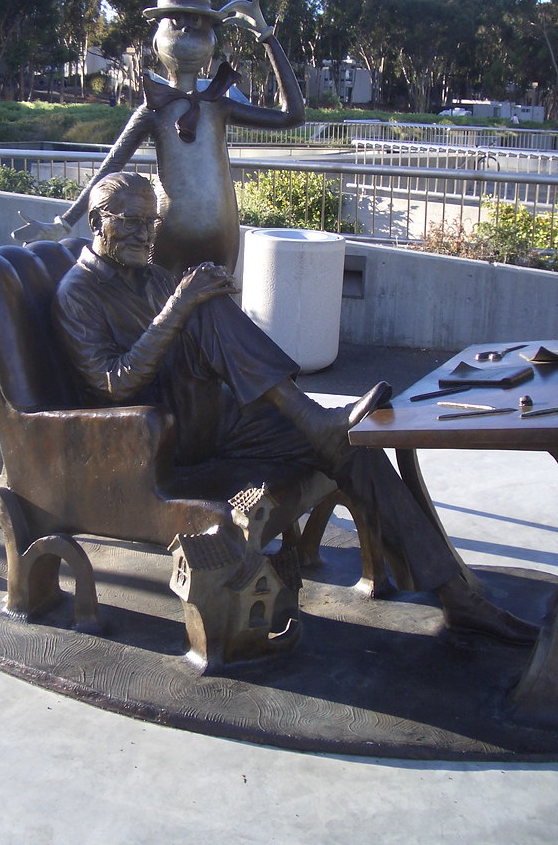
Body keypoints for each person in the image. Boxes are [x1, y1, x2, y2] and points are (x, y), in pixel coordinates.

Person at [52, 171, 540, 646]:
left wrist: (211, 315)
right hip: (153, 438)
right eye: (132, 222)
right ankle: (312, 417)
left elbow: (191, 340)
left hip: (212, 415)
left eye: (152, 223)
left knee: (351, 443)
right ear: (97, 222)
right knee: (196, 301)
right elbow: (112, 383)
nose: (146, 233)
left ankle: (457, 599)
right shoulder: (78, 292)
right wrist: (183, 306)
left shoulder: (150, 275)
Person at [15, 0, 304, 278]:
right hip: (166, 237)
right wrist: (65, 221)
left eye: (198, 24)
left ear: (213, 39)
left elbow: (292, 116)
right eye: (176, 23)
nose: (186, 31)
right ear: (157, 39)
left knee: (217, 317)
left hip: (223, 237)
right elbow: (110, 168)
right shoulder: (153, 109)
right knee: (163, 313)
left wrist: (268, 37)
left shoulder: (218, 105)